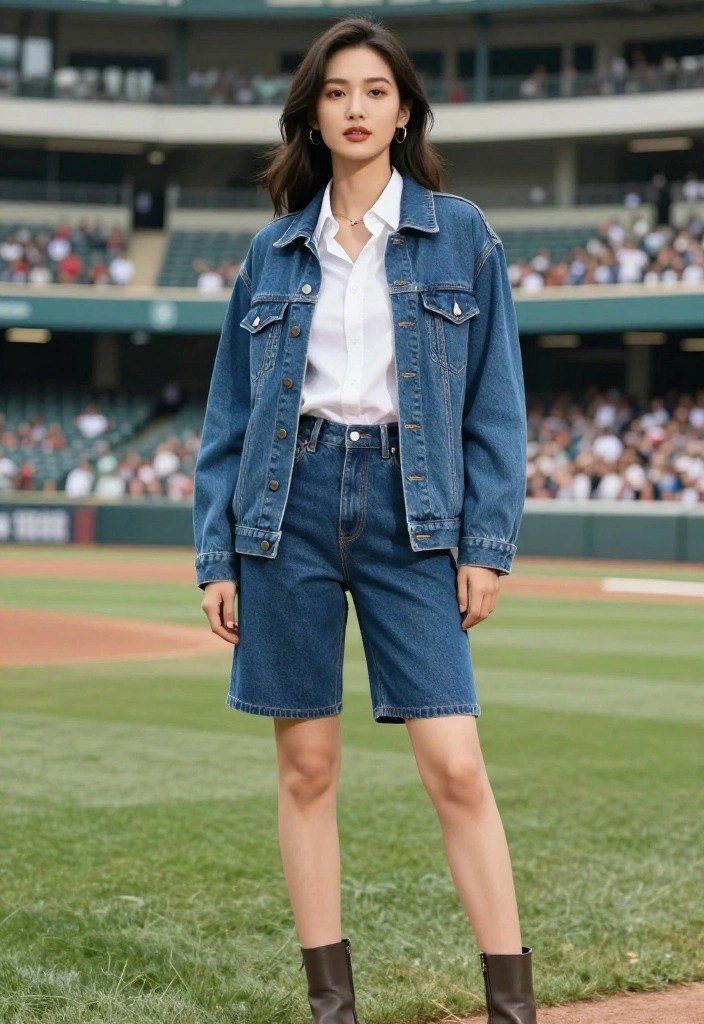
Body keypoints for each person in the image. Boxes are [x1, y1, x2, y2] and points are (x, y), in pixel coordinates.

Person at [194, 17, 533, 1024]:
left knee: (455, 764)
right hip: (283, 511)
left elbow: (495, 402)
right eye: (335, 91)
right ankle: (330, 1007)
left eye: (374, 90)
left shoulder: (460, 233)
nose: (354, 108)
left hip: (411, 510)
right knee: (305, 767)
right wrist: (217, 553)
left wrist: (485, 546)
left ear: (403, 109)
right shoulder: (271, 252)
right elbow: (226, 413)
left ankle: (511, 1005)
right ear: (312, 111)